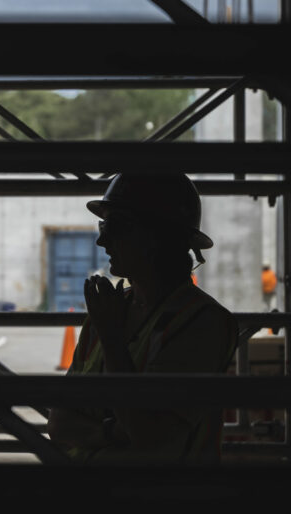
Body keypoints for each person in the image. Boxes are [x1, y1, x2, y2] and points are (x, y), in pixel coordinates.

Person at [47, 173, 238, 465]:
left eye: (114, 227)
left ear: (156, 237)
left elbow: (147, 433)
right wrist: (113, 433)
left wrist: (112, 340)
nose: (102, 239)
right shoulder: (108, 310)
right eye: (103, 225)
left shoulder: (203, 324)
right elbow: (59, 423)